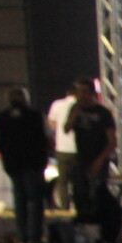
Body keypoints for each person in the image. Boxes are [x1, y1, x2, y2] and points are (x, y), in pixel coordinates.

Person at [0, 86, 52, 243]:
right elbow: (49, 139)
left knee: (19, 200)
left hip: (12, 164)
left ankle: (22, 238)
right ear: (25, 99)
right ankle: (34, 238)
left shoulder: (0, 118)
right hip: (33, 163)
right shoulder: (36, 116)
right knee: (35, 200)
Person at [66, 79, 121, 243]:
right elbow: (66, 129)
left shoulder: (103, 113)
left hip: (98, 158)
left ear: (92, 93)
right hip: (81, 159)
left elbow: (112, 142)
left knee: (97, 197)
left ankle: (100, 235)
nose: (82, 96)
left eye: (85, 92)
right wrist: (74, 114)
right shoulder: (75, 109)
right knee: (80, 196)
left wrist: (100, 161)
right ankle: (83, 232)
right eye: (79, 92)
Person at [45, 79, 85, 208]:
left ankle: (65, 208)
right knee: (79, 182)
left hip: (62, 149)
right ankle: (80, 207)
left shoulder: (57, 104)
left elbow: (51, 124)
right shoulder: (84, 106)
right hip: (79, 150)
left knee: (63, 182)